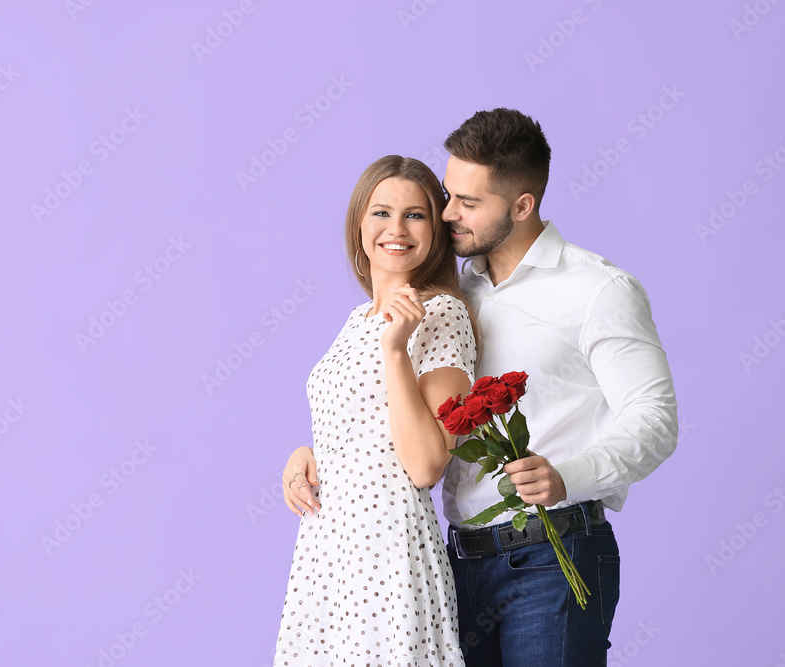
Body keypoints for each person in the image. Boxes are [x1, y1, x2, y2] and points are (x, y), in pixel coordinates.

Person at [440, 108, 678, 666]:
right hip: (456, 568)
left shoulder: (597, 289)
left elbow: (655, 419)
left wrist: (567, 476)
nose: (448, 213)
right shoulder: (452, 295)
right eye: (449, 195)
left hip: (554, 556)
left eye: (468, 202)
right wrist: (323, 455)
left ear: (523, 205)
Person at [275, 155, 479, 666]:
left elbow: (426, 465)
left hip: (386, 550)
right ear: (359, 225)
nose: (397, 229)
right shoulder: (356, 319)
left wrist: (395, 351)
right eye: (381, 213)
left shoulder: (442, 313)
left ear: (436, 229)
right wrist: (306, 455)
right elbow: (364, 428)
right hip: (328, 547)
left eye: (415, 215)